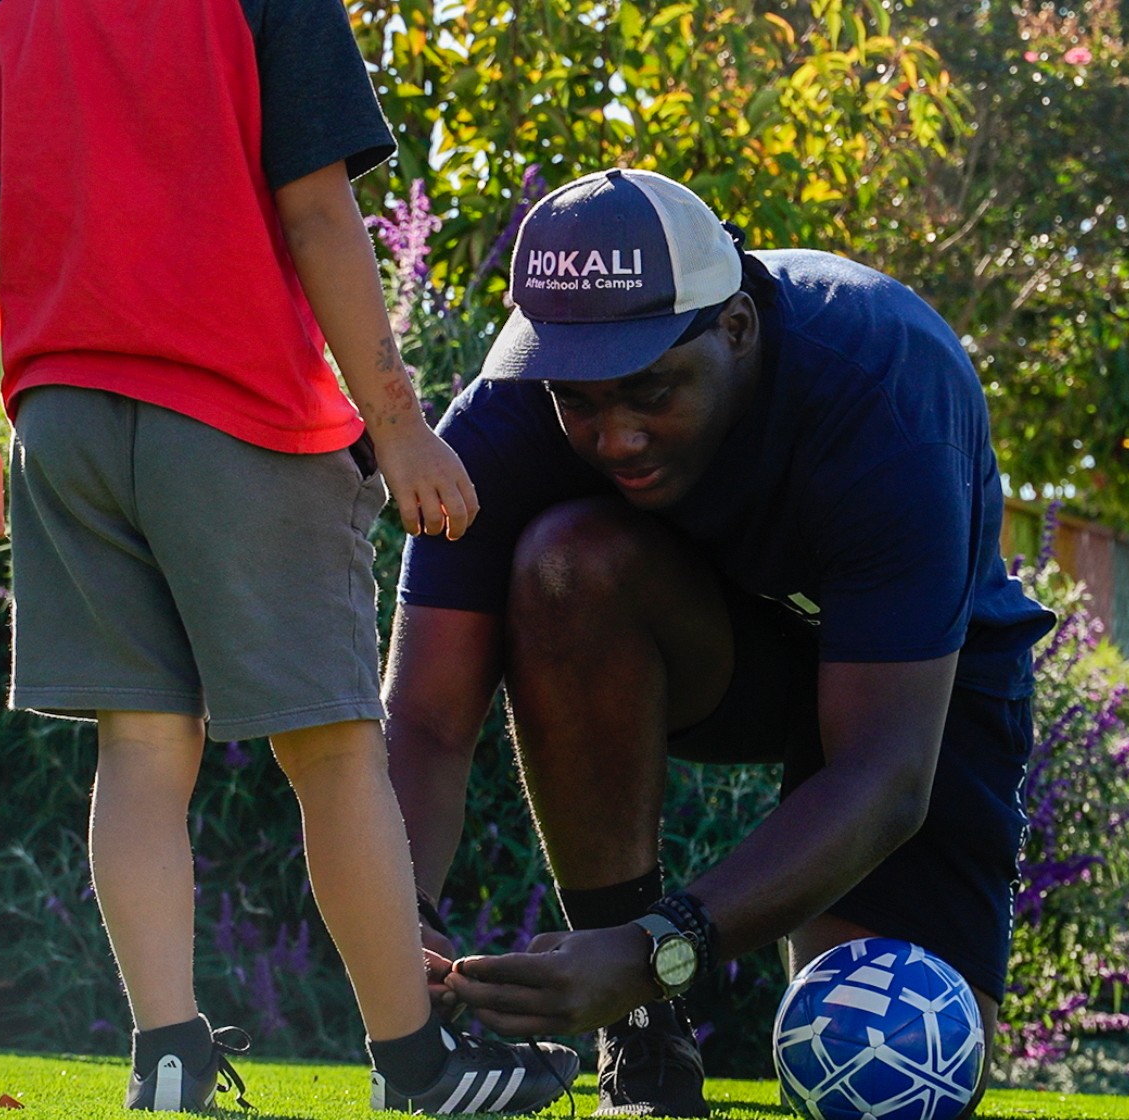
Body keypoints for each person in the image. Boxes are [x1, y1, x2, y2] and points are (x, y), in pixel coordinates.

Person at [0, 0, 578, 1111]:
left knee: (138, 747)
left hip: (64, 419)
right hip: (233, 409)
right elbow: (319, 212)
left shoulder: (15, 8)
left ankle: (166, 1058)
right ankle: (415, 1065)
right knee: (330, 752)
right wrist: (399, 422)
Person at [385, 168, 1058, 1118]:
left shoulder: (888, 390)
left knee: (888, 1057)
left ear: (737, 327)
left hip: (915, 687)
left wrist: (663, 944)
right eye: (578, 400)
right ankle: (644, 1040)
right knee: (566, 561)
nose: (614, 436)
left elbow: (884, 775)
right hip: (719, 655)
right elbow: (424, 719)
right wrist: (393, 921)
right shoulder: (505, 421)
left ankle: (647, 973)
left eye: (652, 387)